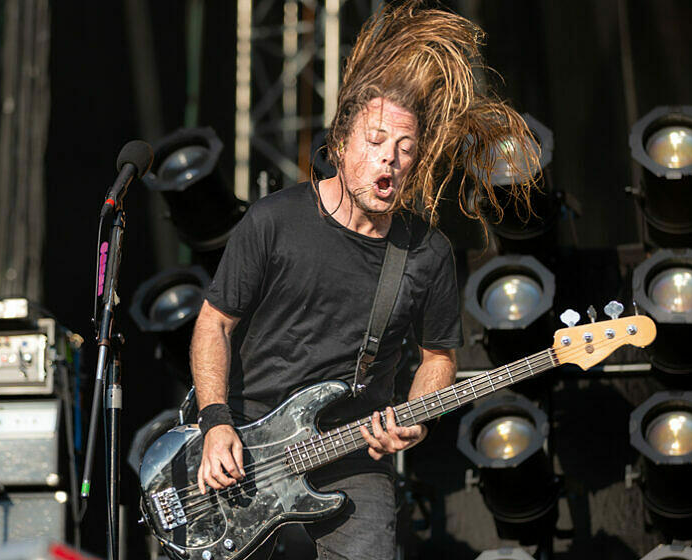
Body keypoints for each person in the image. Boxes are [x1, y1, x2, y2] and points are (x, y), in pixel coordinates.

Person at [190, 1, 540, 558]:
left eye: (405, 151)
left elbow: (438, 358)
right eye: (376, 143)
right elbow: (215, 323)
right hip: (248, 444)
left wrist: (417, 418)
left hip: (352, 455)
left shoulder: (426, 253)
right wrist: (215, 424)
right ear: (342, 144)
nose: (390, 162)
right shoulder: (273, 221)